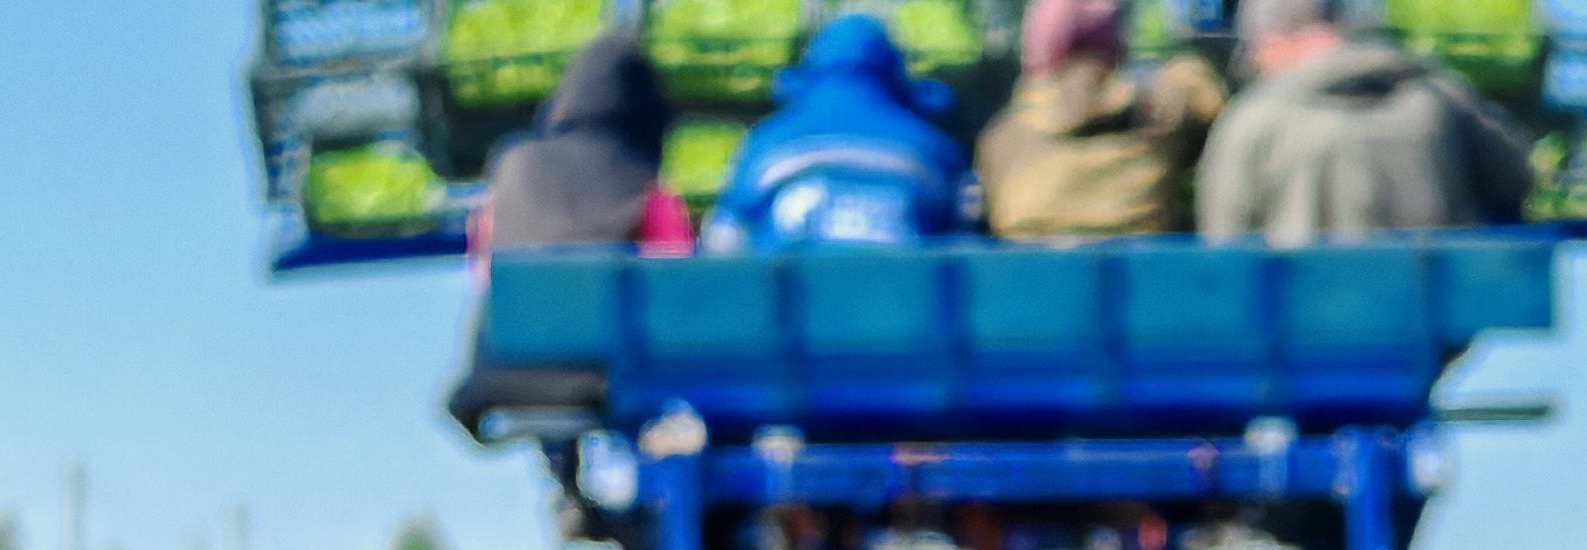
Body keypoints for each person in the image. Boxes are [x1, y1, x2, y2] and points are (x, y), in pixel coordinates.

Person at [1196, 0, 1532, 246]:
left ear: (1274, 41)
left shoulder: (1252, 119)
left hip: (1300, 326)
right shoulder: (1441, 98)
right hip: (1423, 318)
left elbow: (1224, 241)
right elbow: (1512, 182)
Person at [703, 15, 979, 254]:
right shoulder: (932, 147)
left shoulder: (766, 141)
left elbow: (722, 240)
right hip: (900, 306)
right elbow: (964, 242)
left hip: (789, 308)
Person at [974, 0, 1230, 242]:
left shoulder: (1005, 136)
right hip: (1143, 278)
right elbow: (1211, 102)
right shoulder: (1162, 109)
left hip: (1028, 279)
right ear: (1117, 46)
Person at [473, 32, 695, 279]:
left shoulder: (511, 166)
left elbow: (481, 273)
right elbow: (676, 279)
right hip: (611, 314)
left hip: (515, 313)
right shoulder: (646, 189)